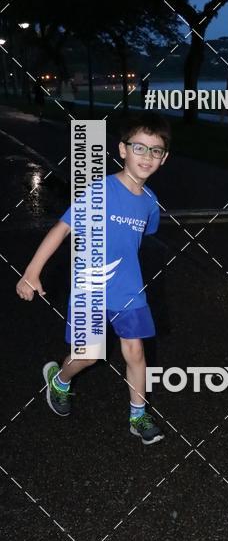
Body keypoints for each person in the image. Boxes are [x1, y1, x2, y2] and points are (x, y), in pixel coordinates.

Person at [16, 112, 171, 444]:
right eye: (139, 148)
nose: (147, 157)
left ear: (164, 158)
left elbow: (144, 234)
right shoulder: (100, 191)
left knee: (136, 352)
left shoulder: (151, 203)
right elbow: (62, 228)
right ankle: (60, 379)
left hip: (128, 289)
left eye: (155, 150)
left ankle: (138, 417)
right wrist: (32, 271)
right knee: (89, 354)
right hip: (91, 287)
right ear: (122, 150)